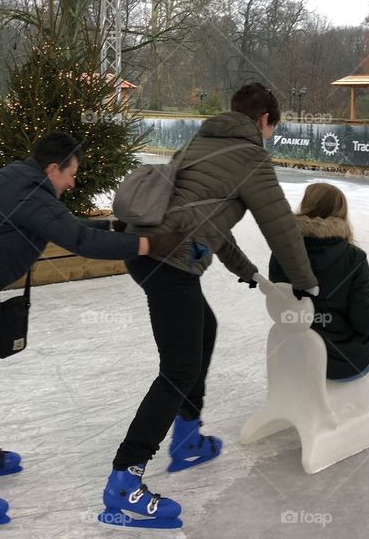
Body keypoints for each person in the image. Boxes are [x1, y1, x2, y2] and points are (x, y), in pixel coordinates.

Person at [0, 131, 186, 528]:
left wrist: (120, 228)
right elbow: (79, 240)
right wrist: (151, 245)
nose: (74, 182)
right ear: (53, 168)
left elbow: (66, 225)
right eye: (71, 174)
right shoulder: (29, 193)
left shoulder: (24, 184)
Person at [99, 83, 319, 529]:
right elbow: (281, 228)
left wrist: (250, 273)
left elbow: (210, 223)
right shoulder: (251, 157)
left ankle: (187, 437)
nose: (270, 136)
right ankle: (124, 482)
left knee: (205, 328)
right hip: (170, 262)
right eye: (272, 128)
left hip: (145, 250)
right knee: (177, 369)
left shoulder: (202, 142)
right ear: (263, 121)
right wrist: (306, 284)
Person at [269, 182, 369, 426]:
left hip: (294, 358)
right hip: (342, 363)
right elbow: (367, 324)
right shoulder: (352, 257)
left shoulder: (283, 253)